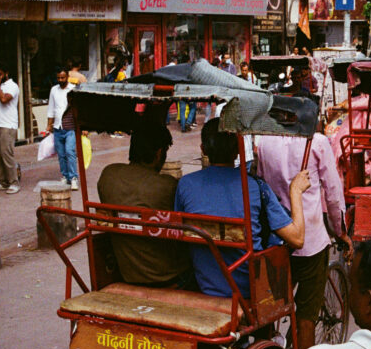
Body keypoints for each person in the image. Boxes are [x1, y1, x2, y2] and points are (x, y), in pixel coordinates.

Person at [174, 119, 309, 298]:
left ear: (203, 149)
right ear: (237, 150)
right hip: (249, 290)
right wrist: (296, 191)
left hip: (203, 283)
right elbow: (297, 239)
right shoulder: (255, 187)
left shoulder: (185, 185)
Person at [256, 131, 348, 349]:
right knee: (306, 315)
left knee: (269, 308)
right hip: (309, 241)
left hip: (277, 238)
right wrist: (340, 231)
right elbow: (333, 193)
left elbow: (261, 183)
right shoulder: (317, 142)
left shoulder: (264, 140)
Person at [97, 123, 191, 286]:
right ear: (159, 154)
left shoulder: (109, 175)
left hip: (128, 272)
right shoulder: (167, 186)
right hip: (168, 276)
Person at [0, 65, 22, 194]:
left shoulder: (12, 86)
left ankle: (14, 182)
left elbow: (3, 99)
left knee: (6, 154)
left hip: (7, 125)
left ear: (6, 73)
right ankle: (3, 181)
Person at [46, 69, 77, 190]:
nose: (60, 80)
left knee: (70, 152)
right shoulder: (54, 90)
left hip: (70, 127)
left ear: (67, 77)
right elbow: (51, 108)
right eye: (58, 78)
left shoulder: (73, 89)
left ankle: (73, 177)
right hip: (57, 127)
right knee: (61, 154)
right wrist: (49, 125)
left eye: (62, 78)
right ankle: (65, 176)